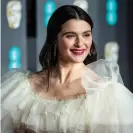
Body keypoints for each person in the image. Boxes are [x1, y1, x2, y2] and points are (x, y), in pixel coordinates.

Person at [1, 5, 133, 133]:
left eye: (86, 35)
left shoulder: (106, 94)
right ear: (54, 39)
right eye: (70, 35)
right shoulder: (20, 88)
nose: (80, 43)